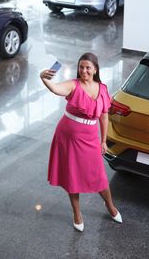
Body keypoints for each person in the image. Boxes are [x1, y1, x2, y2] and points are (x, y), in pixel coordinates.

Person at [40, 52, 122, 232]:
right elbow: (55, 89)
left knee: (99, 175)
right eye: (81, 67)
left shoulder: (102, 88)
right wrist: (43, 78)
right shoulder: (73, 85)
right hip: (68, 135)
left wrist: (103, 140)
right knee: (72, 175)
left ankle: (110, 206)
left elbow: (104, 116)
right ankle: (77, 213)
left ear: (95, 69)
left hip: (91, 136)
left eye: (87, 67)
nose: (84, 71)